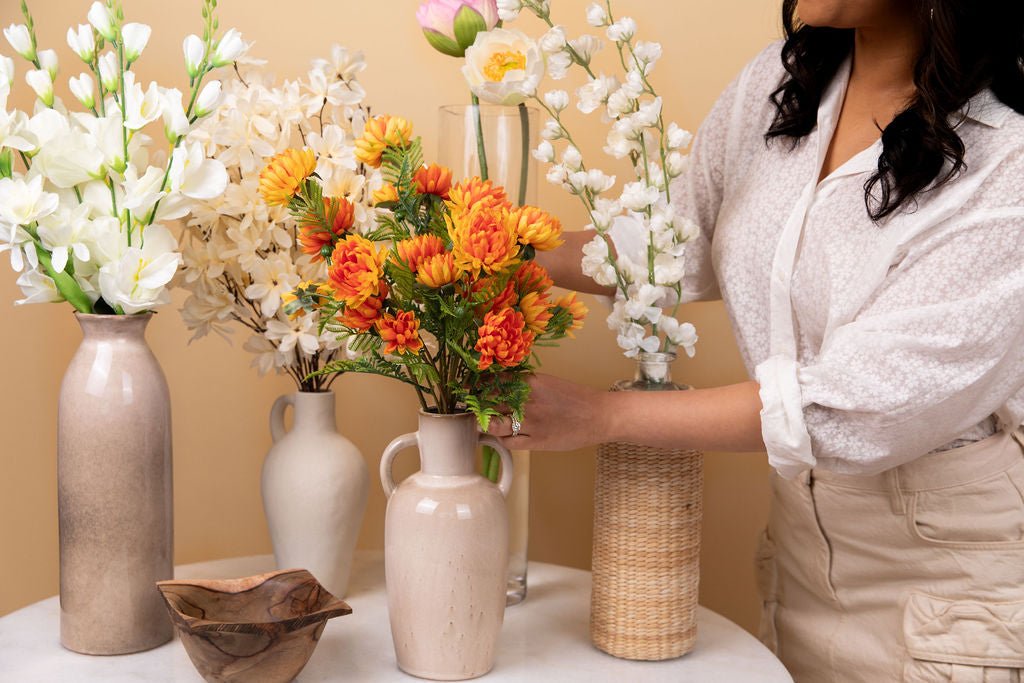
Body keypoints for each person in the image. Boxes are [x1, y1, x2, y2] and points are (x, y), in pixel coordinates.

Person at [489, 0, 1024, 680]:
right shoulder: (779, 84)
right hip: (800, 554)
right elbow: (671, 245)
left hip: (951, 593)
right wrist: (499, 249)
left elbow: (857, 407)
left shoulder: (1009, 164)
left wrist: (598, 415)